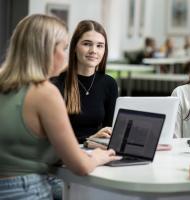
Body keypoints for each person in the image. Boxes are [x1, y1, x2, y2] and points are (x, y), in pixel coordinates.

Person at [0, 14, 120, 200]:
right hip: (27, 189)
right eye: (63, 48)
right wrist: (97, 157)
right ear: (46, 50)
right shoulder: (45, 92)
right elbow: (80, 166)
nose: (65, 55)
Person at [53, 20, 118, 144]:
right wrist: (89, 139)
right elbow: (52, 139)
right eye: (87, 44)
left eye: (99, 46)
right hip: (64, 155)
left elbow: (110, 131)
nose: (93, 50)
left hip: (96, 152)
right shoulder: (56, 83)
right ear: (74, 48)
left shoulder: (109, 84)